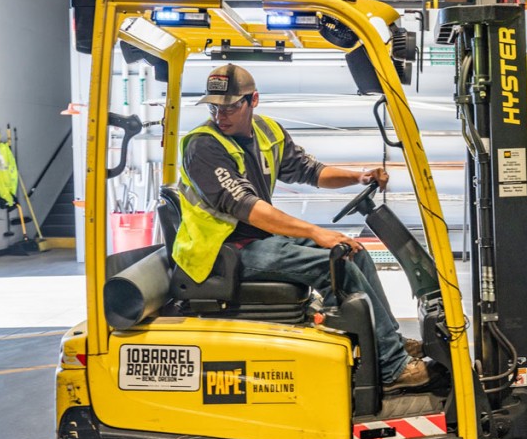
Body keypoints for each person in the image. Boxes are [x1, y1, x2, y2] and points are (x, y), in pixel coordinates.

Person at [172, 64, 430, 391]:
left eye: (230, 106)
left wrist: (357, 175)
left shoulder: (267, 132)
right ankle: (392, 369)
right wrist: (314, 232)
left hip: (256, 239)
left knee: (355, 252)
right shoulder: (204, 146)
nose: (220, 115)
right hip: (222, 252)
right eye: (215, 107)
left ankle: (388, 343)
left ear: (254, 100)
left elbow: (311, 171)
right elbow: (248, 207)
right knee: (335, 266)